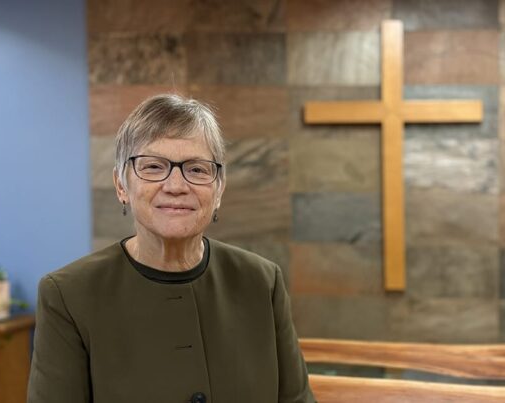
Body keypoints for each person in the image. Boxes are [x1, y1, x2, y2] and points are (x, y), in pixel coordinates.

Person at [27, 94, 316, 403]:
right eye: (153, 166)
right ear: (121, 185)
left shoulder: (262, 282)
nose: (176, 185)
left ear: (219, 188)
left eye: (197, 169)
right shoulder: (68, 295)